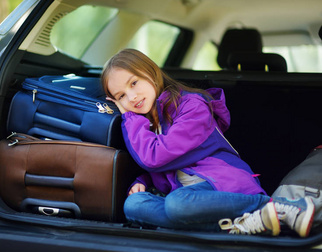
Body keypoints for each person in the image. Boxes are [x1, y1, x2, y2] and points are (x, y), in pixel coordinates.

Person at [101, 48, 315, 237]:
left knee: (177, 205)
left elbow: (156, 157)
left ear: (150, 72)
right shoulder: (148, 122)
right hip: (193, 199)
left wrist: (130, 118)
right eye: (120, 96)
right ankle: (246, 226)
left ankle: (275, 208)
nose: (131, 97)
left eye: (134, 83)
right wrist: (144, 180)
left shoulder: (192, 107)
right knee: (134, 205)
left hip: (224, 189)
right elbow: (165, 166)